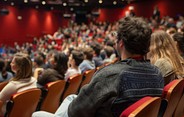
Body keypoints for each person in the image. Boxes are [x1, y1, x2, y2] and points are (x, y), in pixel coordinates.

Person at [32, 16, 164, 117]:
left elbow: (76, 112)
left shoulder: (111, 75)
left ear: (121, 43)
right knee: (71, 97)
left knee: (36, 115)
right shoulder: (157, 73)